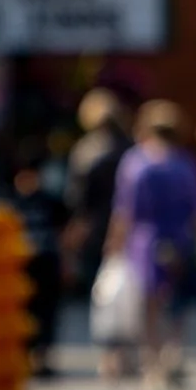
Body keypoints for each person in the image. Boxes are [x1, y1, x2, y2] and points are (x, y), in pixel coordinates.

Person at [107, 100, 196, 390]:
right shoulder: (185, 163)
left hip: (145, 238)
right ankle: (173, 354)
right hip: (180, 236)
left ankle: (151, 363)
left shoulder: (135, 162)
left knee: (148, 304)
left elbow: (124, 210)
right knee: (178, 300)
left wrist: (114, 244)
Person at [63, 87, 132, 297]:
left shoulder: (86, 150)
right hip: (125, 224)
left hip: (94, 224)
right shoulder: (130, 148)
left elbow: (76, 195)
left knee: (97, 286)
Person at [8, 152, 71, 379]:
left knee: (47, 314)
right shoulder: (10, 202)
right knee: (23, 314)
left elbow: (66, 231)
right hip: (20, 266)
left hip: (47, 262)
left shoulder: (50, 201)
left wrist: (66, 261)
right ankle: (23, 359)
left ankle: (42, 359)